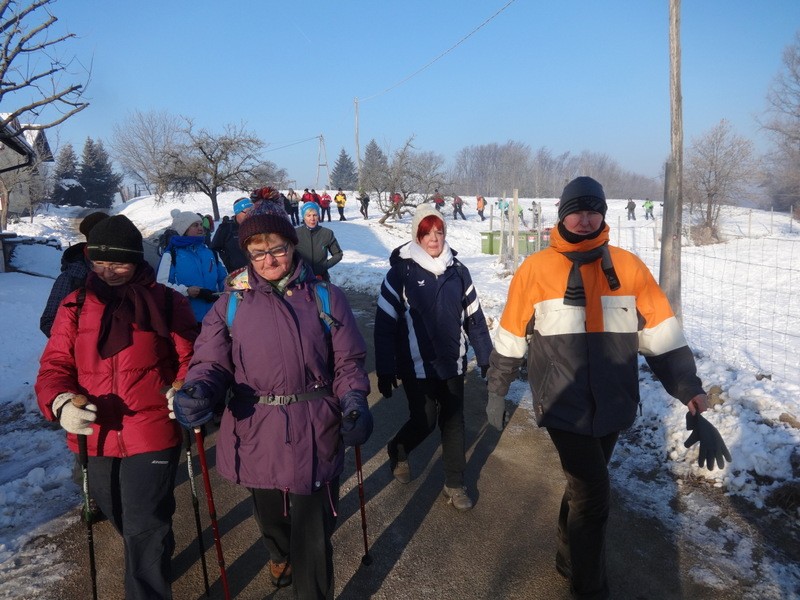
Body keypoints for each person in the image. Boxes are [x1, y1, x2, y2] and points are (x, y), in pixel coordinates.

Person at [485, 176, 731, 599]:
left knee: (581, 490)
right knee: (595, 497)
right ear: (562, 216)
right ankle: (589, 588)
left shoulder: (629, 267)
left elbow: (661, 334)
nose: (585, 219)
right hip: (563, 404)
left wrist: (688, 387)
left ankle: (567, 555)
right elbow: (510, 335)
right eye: (576, 211)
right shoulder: (536, 269)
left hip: (614, 404)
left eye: (593, 210)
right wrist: (496, 388)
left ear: (603, 214)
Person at [172, 210, 372, 599]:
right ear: (247, 253)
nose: (269, 260)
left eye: (277, 249)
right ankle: (279, 552)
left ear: (292, 246)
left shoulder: (325, 296)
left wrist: (352, 400)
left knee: (314, 535)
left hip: (316, 424)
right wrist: (200, 390)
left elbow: (348, 361)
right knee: (273, 517)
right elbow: (212, 361)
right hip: (256, 427)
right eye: (258, 252)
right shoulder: (232, 301)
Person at [35, 215, 198, 600]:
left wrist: (186, 388)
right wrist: (59, 402)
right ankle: (156, 549)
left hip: (152, 426)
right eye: (100, 263)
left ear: (137, 260)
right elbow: (54, 366)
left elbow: (193, 357)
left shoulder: (166, 302)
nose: (108, 272)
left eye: (119, 263)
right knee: (121, 515)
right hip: (97, 432)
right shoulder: (75, 306)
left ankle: (148, 580)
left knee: (143, 523)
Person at [374, 204, 493, 511]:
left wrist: (486, 358)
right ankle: (398, 448)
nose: (434, 238)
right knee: (425, 420)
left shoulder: (458, 272)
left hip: (452, 364)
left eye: (439, 231)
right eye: (427, 232)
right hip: (416, 366)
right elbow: (386, 324)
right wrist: (386, 368)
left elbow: (475, 319)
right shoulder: (400, 273)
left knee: (454, 422)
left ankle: (454, 483)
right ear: (417, 235)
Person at [39, 211, 109, 337]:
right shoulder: (72, 277)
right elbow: (49, 322)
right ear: (90, 240)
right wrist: (84, 342)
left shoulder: (126, 272)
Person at [157, 209, 227, 326]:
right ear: (184, 229)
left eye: (201, 224)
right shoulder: (171, 255)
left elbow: (224, 279)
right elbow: (161, 285)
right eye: (195, 225)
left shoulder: (211, 253)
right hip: (186, 319)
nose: (201, 228)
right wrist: (186, 291)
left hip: (215, 317)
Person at [295, 202, 344, 282]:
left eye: (315, 215)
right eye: (308, 215)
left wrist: (325, 265)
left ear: (318, 216)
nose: (312, 218)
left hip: (321, 278)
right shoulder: (296, 233)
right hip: (301, 280)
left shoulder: (327, 233)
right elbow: (288, 255)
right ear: (304, 217)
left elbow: (338, 254)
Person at [210, 197, 253, 272]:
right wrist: (227, 263)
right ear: (237, 212)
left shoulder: (257, 226)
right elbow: (214, 249)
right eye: (247, 211)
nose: (250, 215)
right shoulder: (226, 228)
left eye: (252, 211)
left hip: (258, 273)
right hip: (236, 275)